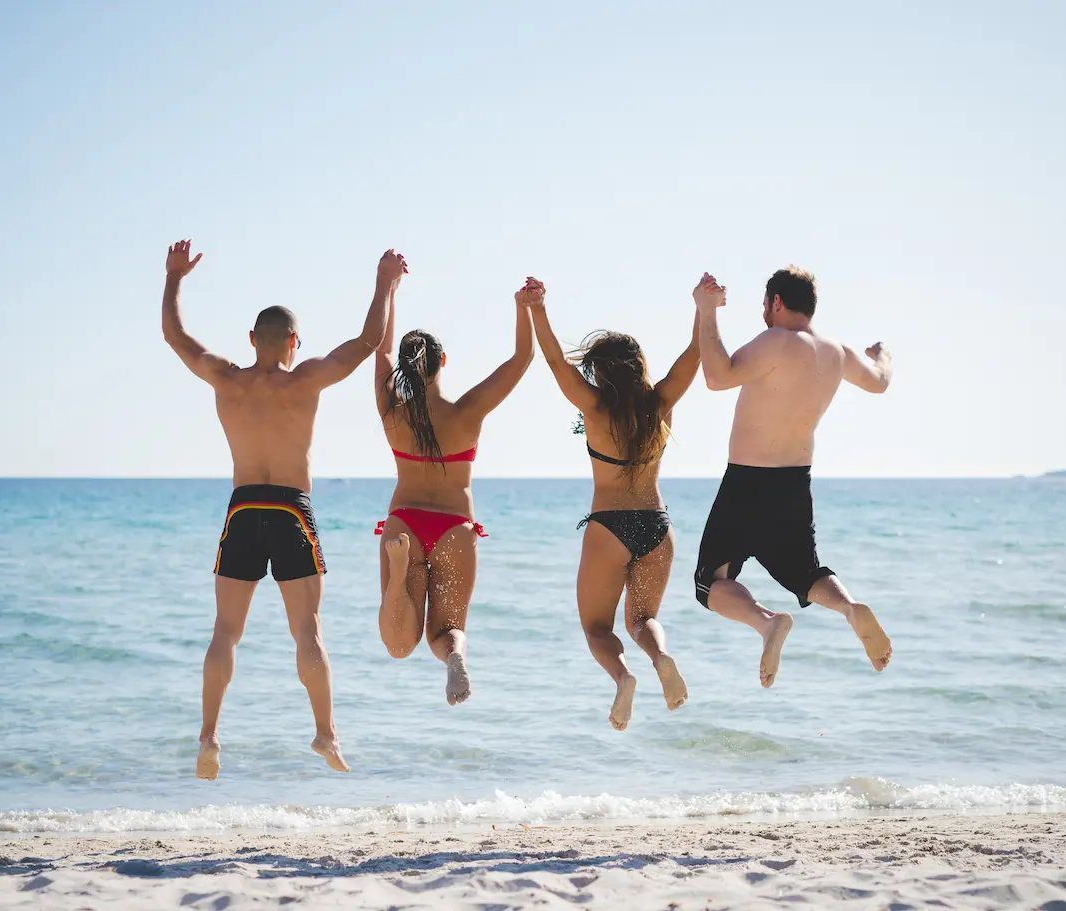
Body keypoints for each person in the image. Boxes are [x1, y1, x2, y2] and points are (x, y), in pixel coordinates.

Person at [162, 239, 406, 780]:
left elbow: (175, 337)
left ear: (252, 339)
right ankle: (325, 733)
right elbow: (368, 341)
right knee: (308, 632)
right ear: (295, 342)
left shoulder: (225, 377)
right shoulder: (306, 379)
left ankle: (208, 736)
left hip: (243, 509)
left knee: (225, 631)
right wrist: (385, 282)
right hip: (293, 511)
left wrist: (175, 277)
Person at [691, 267, 893, 688]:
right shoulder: (835, 351)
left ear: (776, 302)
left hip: (747, 481)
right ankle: (851, 608)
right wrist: (882, 357)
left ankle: (767, 624)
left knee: (711, 582)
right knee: (806, 573)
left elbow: (717, 376)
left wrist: (706, 309)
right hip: (795, 484)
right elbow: (878, 383)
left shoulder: (777, 341)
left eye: (765, 304)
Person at [525, 277, 700, 730]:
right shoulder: (662, 401)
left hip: (610, 526)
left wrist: (537, 308)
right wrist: (705, 307)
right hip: (656, 525)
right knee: (643, 620)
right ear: (639, 364)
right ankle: (661, 657)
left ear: (600, 373)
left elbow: (553, 362)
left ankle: (623, 678)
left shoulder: (595, 408)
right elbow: (694, 355)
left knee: (598, 628)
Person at [373, 273, 535, 705]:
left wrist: (386, 288)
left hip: (403, 523)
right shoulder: (468, 411)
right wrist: (524, 307)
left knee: (399, 645)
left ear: (405, 370)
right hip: (454, 530)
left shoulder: (392, 411)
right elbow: (522, 359)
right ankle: (455, 660)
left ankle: (397, 586)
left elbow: (382, 348)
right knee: (444, 632)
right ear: (443, 363)